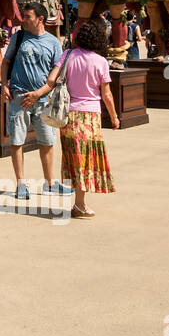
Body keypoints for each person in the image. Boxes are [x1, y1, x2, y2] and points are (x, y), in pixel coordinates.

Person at [0, 1, 71, 199]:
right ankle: (21, 183)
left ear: (40, 19)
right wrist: (4, 84)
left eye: (28, 16)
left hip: (43, 100)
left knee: (47, 142)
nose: (23, 20)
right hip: (19, 97)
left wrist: (38, 94)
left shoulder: (53, 42)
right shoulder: (19, 37)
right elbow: (6, 62)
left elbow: (55, 76)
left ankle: (50, 183)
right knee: (16, 141)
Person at [53, 17, 119, 219]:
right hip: (90, 117)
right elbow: (106, 94)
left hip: (68, 115)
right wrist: (114, 118)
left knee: (74, 158)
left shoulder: (68, 55)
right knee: (86, 160)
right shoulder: (100, 62)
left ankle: (79, 203)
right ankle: (79, 205)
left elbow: (52, 79)